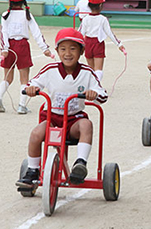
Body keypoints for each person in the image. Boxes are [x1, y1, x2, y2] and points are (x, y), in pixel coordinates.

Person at [15, 28, 108, 187]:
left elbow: (103, 94)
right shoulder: (50, 70)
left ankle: (80, 164)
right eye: (63, 49)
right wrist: (31, 89)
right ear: (57, 51)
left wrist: (94, 94)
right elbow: (32, 84)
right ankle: (32, 170)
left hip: (74, 120)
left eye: (73, 48)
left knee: (87, 124)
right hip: (52, 118)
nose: (68, 53)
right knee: (36, 134)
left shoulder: (87, 73)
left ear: (81, 51)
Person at [0, 0, 51, 114]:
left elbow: (4, 33)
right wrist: (44, 48)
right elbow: (36, 32)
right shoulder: (27, 15)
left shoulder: (5, 15)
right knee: (24, 79)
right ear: (24, 1)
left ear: (9, 1)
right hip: (23, 47)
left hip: (10, 49)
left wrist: (5, 49)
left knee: (7, 77)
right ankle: (21, 105)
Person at [78, 0, 125, 81]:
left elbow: (80, 33)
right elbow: (109, 33)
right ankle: (97, 87)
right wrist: (119, 44)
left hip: (87, 43)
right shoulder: (103, 19)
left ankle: (91, 87)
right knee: (98, 70)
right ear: (100, 6)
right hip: (98, 43)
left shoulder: (85, 19)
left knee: (91, 69)